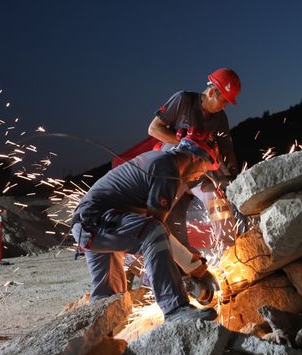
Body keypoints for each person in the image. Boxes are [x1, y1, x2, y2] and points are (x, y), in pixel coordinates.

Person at [71, 133, 221, 322]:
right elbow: (156, 230)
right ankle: (175, 309)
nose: (200, 175)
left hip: (91, 224)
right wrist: (189, 264)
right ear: (195, 157)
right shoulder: (168, 169)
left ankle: (97, 341)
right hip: (99, 221)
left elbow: (154, 229)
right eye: (205, 168)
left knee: (109, 297)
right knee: (153, 232)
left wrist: (188, 262)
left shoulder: (161, 160)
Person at [147, 67, 242, 249]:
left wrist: (233, 177)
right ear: (212, 92)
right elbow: (153, 128)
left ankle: (229, 251)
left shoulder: (220, 118)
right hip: (174, 171)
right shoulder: (183, 100)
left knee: (217, 199)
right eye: (223, 100)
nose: (225, 105)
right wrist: (183, 141)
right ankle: (133, 265)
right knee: (160, 217)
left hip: (200, 174)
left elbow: (227, 149)